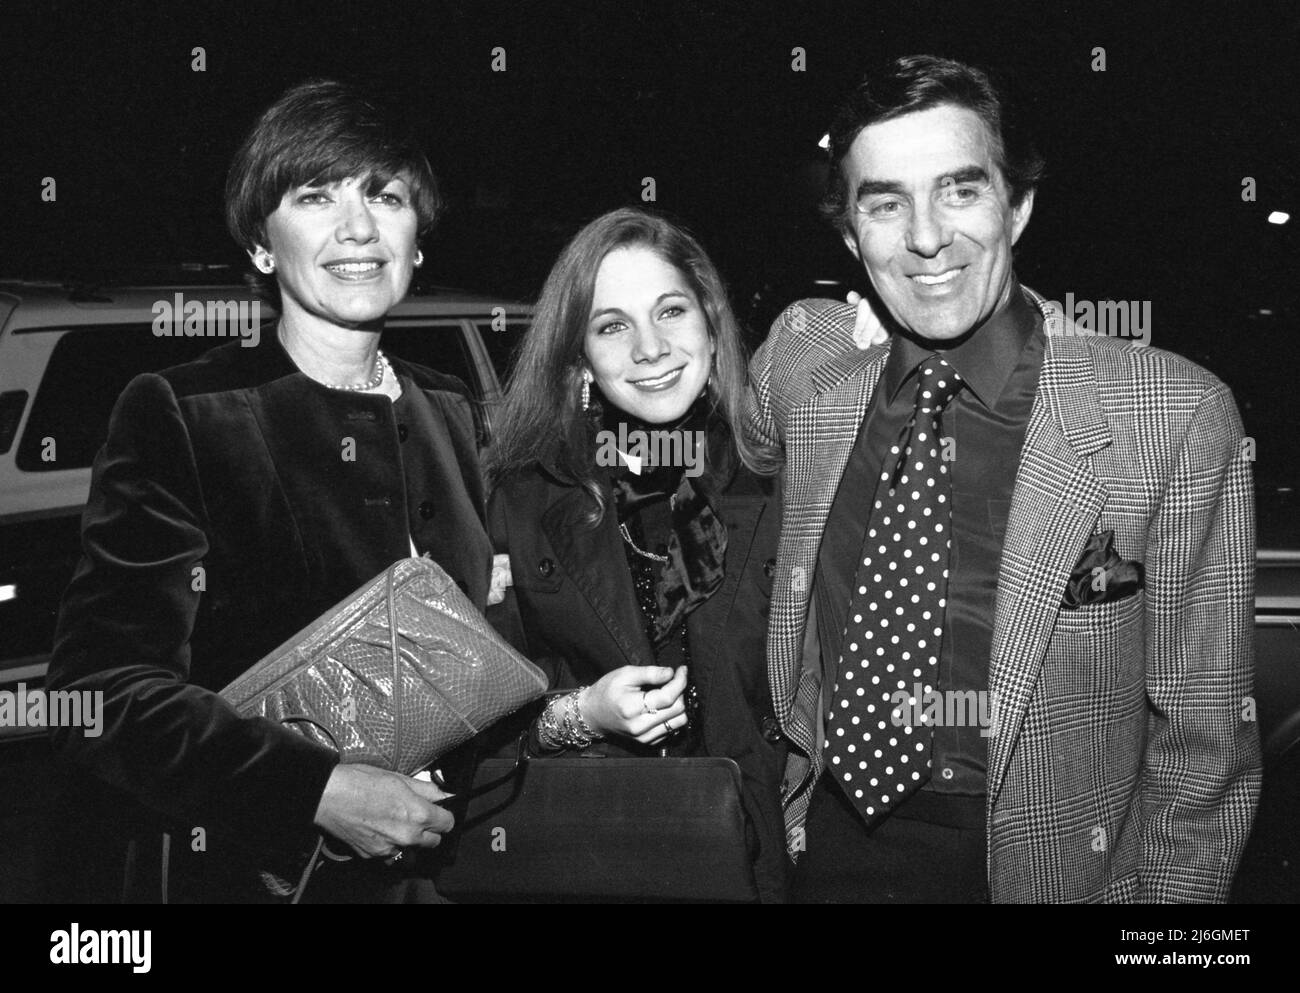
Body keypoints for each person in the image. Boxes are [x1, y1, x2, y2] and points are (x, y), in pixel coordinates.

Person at [745, 55, 1260, 902]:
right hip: (827, 843)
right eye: (885, 203)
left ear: (1016, 206)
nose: (924, 237)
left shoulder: (1172, 414)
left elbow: (1205, 752)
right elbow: (726, 427)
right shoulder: (808, 364)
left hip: (1049, 868)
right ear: (850, 236)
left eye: (959, 190)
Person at [46, 80, 488, 902]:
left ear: (418, 239)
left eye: (384, 196)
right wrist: (315, 790)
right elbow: (98, 692)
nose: (358, 227)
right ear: (260, 244)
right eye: (316, 196)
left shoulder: (457, 415)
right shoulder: (184, 414)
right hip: (255, 878)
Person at [485, 207, 790, 901]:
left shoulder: (785, 472)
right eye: (613, 325)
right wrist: (582, 713)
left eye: (672, 311)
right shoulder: (523, 499)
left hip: (771, 865)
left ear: (712, 322)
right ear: (579, 357)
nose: (649, 348)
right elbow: (479, 724)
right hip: (601, 861)